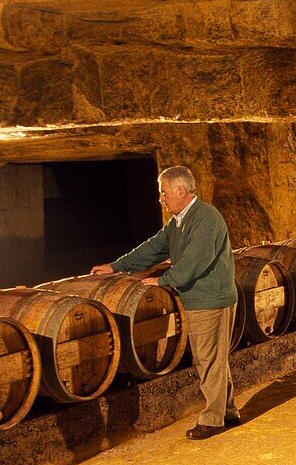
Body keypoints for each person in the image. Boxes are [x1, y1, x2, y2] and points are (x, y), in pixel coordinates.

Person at [91, 165, 239, 440]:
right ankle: (226, 412)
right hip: (202, 298)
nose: (160, 198)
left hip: (211, 298)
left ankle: (213, 419)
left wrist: (163, 280)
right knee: (213, 358)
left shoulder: (205, 218)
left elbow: (195, 261)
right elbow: (154, 247)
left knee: (208, 359)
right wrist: (116, 267)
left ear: (181, 191)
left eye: (164, 192)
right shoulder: (179, 222)